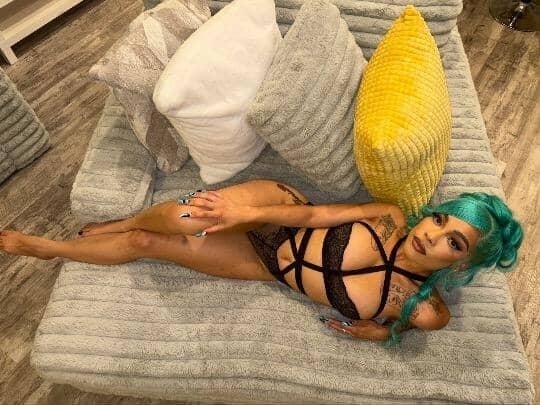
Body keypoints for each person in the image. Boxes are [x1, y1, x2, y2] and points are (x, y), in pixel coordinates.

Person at [0, 179, 523, 347]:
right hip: (281, 213)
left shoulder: (423, 309)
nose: (432, 236)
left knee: (146, 243)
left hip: (267, 267)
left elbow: (414, 324)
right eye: (439, 220)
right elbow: (315, 214)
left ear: (461, 266)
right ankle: (123, 219)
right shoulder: (388, 217)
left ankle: (50, 249)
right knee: (187, 217)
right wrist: (244, 213)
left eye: (454, 243)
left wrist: (381, 332)